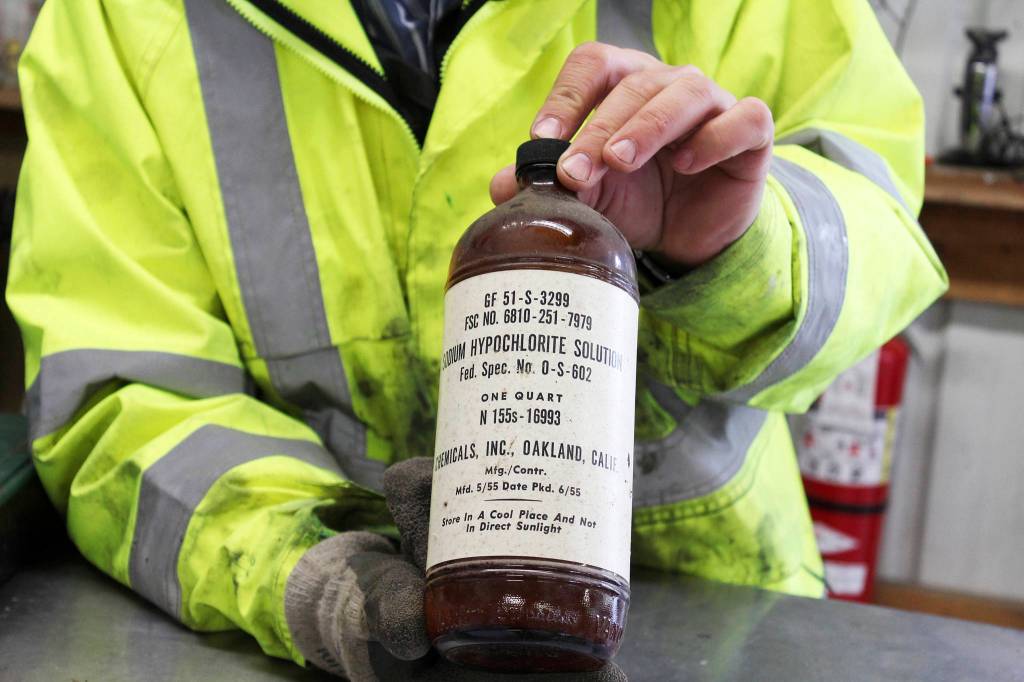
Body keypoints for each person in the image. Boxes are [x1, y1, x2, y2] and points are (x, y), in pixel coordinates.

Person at [6, 0, 946, 680]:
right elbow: (125, 390)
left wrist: (743, 244)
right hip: (351, 646)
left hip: (715, 629)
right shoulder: (121, 20)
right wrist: (312, 567)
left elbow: (879, 215)